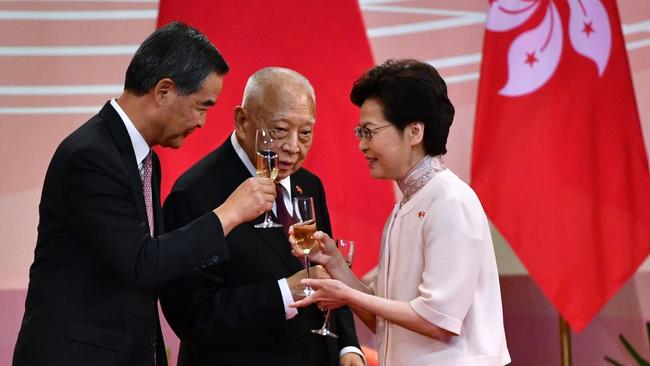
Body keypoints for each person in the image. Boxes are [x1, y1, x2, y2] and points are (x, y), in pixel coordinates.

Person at [12, 22, 276, 366]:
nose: (202, 122)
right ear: (164, 91)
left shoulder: (142, 159)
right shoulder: (90, 156)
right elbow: (142, 262)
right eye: (202, 106)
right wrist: (230, 212)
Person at [291, 59, 511, 366]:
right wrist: (337, 266)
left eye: (369, 132)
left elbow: (438, 321)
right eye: (360, 132)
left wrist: (348, 294)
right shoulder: (404, 207)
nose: (361, 145)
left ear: (414, 132)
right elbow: (384, 320)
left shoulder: (450, 201)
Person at [159, 67, 365, 366]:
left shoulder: (308, 184)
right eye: (280, 130)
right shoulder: (194, 194)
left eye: (305, 132)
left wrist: (349, 346)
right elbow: (194, 316)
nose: (293, 146)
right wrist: (284, 292)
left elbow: (325, 271)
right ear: (242, 121)